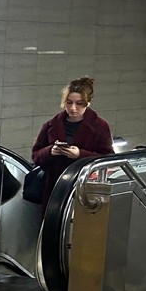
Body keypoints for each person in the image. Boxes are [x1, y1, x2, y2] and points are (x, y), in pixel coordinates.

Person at [30, 76, 113, 211]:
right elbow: (35, 156)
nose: (73, 108)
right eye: (69, 103)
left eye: (79, 103)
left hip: (84, 188)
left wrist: (80, 154)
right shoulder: (51, 125)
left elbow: (108, 159)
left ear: (88, 102)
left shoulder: (99, 126)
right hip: (55, 188)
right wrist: (50, 151)